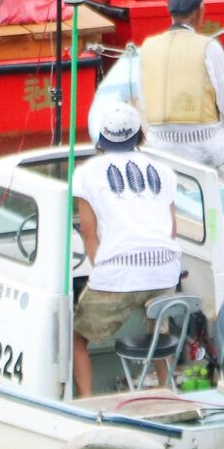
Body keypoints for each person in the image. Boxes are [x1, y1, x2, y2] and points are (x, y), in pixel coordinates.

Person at [69, 93, 180, 396]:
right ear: (139, 135)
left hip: (119, 273)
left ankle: (87, 400)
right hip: (164, 269)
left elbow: (89, 234)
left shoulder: (87, 173)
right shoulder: (163, 171)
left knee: (76, 339)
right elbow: (171, 229)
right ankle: (167, 392)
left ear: (102, 138)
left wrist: (102, 273)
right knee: (159, 333)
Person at [138, 0, 224, 165]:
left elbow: (145, 104)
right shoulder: (209, 47)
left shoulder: (147, 47)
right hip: (204, 150)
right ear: (199, 11)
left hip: (159, 147)